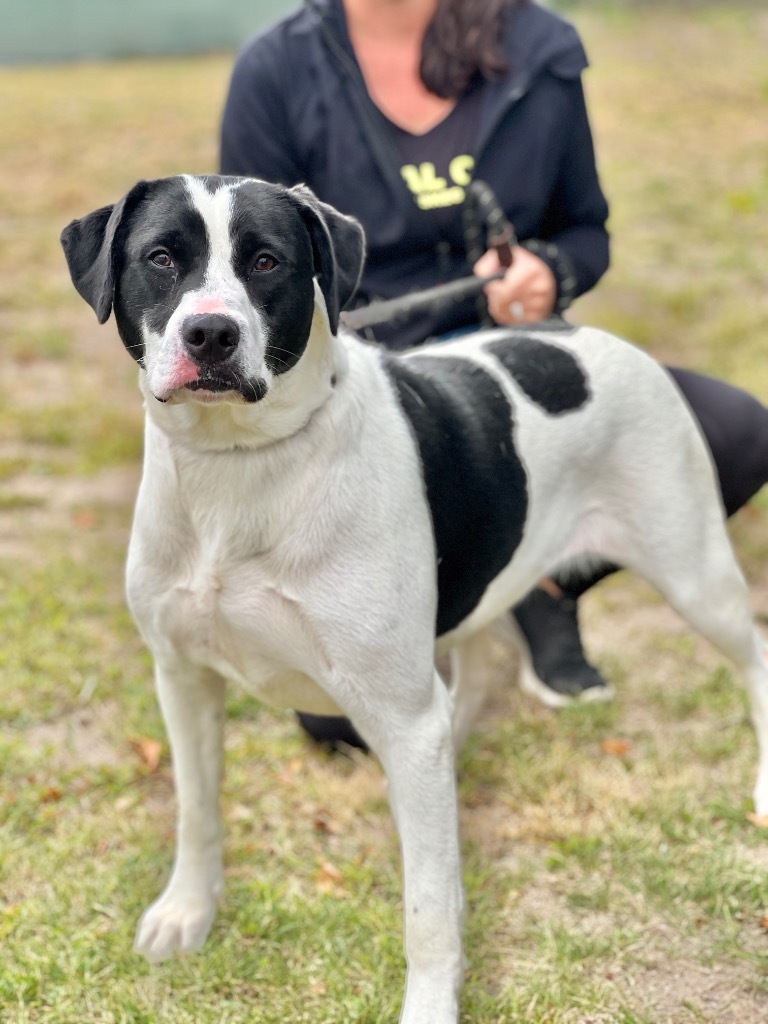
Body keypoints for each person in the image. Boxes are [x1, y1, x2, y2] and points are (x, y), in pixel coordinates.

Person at [219, 0, 768, 743]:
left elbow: (586, 230)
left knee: (736, 433)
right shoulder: (276, 69)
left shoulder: (540, 46)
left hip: (519, 387)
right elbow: (246, 277)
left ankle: (542, 580)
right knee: (344, 726)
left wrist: (549, 271)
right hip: (372, 402)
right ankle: (461, 594)